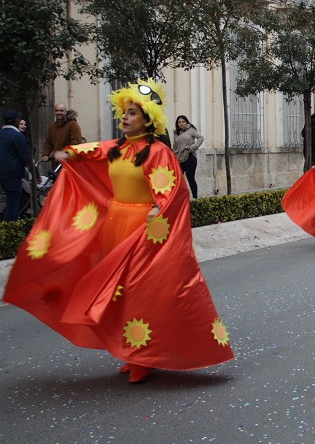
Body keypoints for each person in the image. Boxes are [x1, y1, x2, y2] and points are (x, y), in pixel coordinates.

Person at [3, 79, 234, 384]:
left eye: (133, 113)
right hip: (115, 227)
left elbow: (171, 190)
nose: (125, 118)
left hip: (143, 232)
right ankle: (129, 352)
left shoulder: (157, 152)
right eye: (124, 112)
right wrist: (69, 153)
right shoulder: (117, 149)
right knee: (118, 295)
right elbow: (93, 150)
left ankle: (144, 357)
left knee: (140, 293)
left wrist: (157, 208)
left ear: (147, 119)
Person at [0, 110, 30, 221]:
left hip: (2, 173)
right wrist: (35, 174)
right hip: (12, 174)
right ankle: (9, 230)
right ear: (16, 121)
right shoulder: (17, 136)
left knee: (10, 202)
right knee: (13, 204)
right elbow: (26, 157)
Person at [172, 115, 204, 199]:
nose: (181, 124)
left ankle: (195, 198)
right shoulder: (176, 133)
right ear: (177, 123)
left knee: (190, 178)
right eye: (179, 122)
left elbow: (201, 138)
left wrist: (193, 148)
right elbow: (175, 147)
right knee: (178, 180)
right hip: (179, 159)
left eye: (183, 122)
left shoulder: (191, 130)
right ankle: (180, 199)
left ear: (186, 122)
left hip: (190, 157)